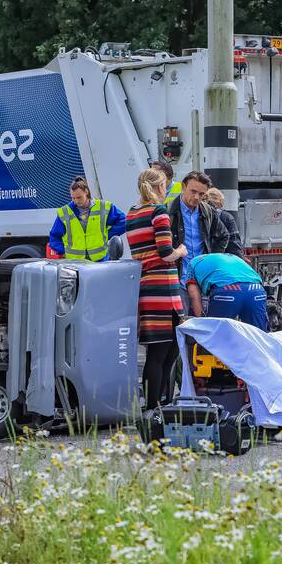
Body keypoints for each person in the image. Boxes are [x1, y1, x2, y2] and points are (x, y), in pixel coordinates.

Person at [126, 168, 187, 410]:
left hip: (146, 286)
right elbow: (165, 252)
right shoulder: (159, 212)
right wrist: (181, 251)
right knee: (164, 351)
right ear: (160, 187)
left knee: (163, 349)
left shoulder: (132, 213)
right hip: (163, 288)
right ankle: (156, 407)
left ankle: (160, 403)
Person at [167, 171, 229, 307]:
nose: (196, 197)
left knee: (203, 322)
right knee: (180, 324)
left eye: (201, 194)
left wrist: (212, 259)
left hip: (202, 279)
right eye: (193, 191)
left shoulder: (208, 211)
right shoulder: (169, 211)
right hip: (177, 279)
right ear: (183, 187)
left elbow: (224, 235)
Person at [48, 176, 126, 261]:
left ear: (86, 192)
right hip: (75, 264)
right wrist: (61, 251)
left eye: (79, 197)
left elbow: (124, 221)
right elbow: (54, 236)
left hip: (100, 261)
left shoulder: (103, 207)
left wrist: (106, 234)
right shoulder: (65, 212)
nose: (76, 201)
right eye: (73, 198)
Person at [185, 253, 268, 331]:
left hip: (227, 290)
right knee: (258, 337)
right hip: (256, 289)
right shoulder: (232, 257)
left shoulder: (192, 263)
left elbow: (194, 295)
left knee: (218, 337)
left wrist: (202, 324)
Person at [205, 187, 244, 257]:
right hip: (221, 260)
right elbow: (234, 246)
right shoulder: (226, 217)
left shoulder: (198, 214)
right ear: (220, 202)